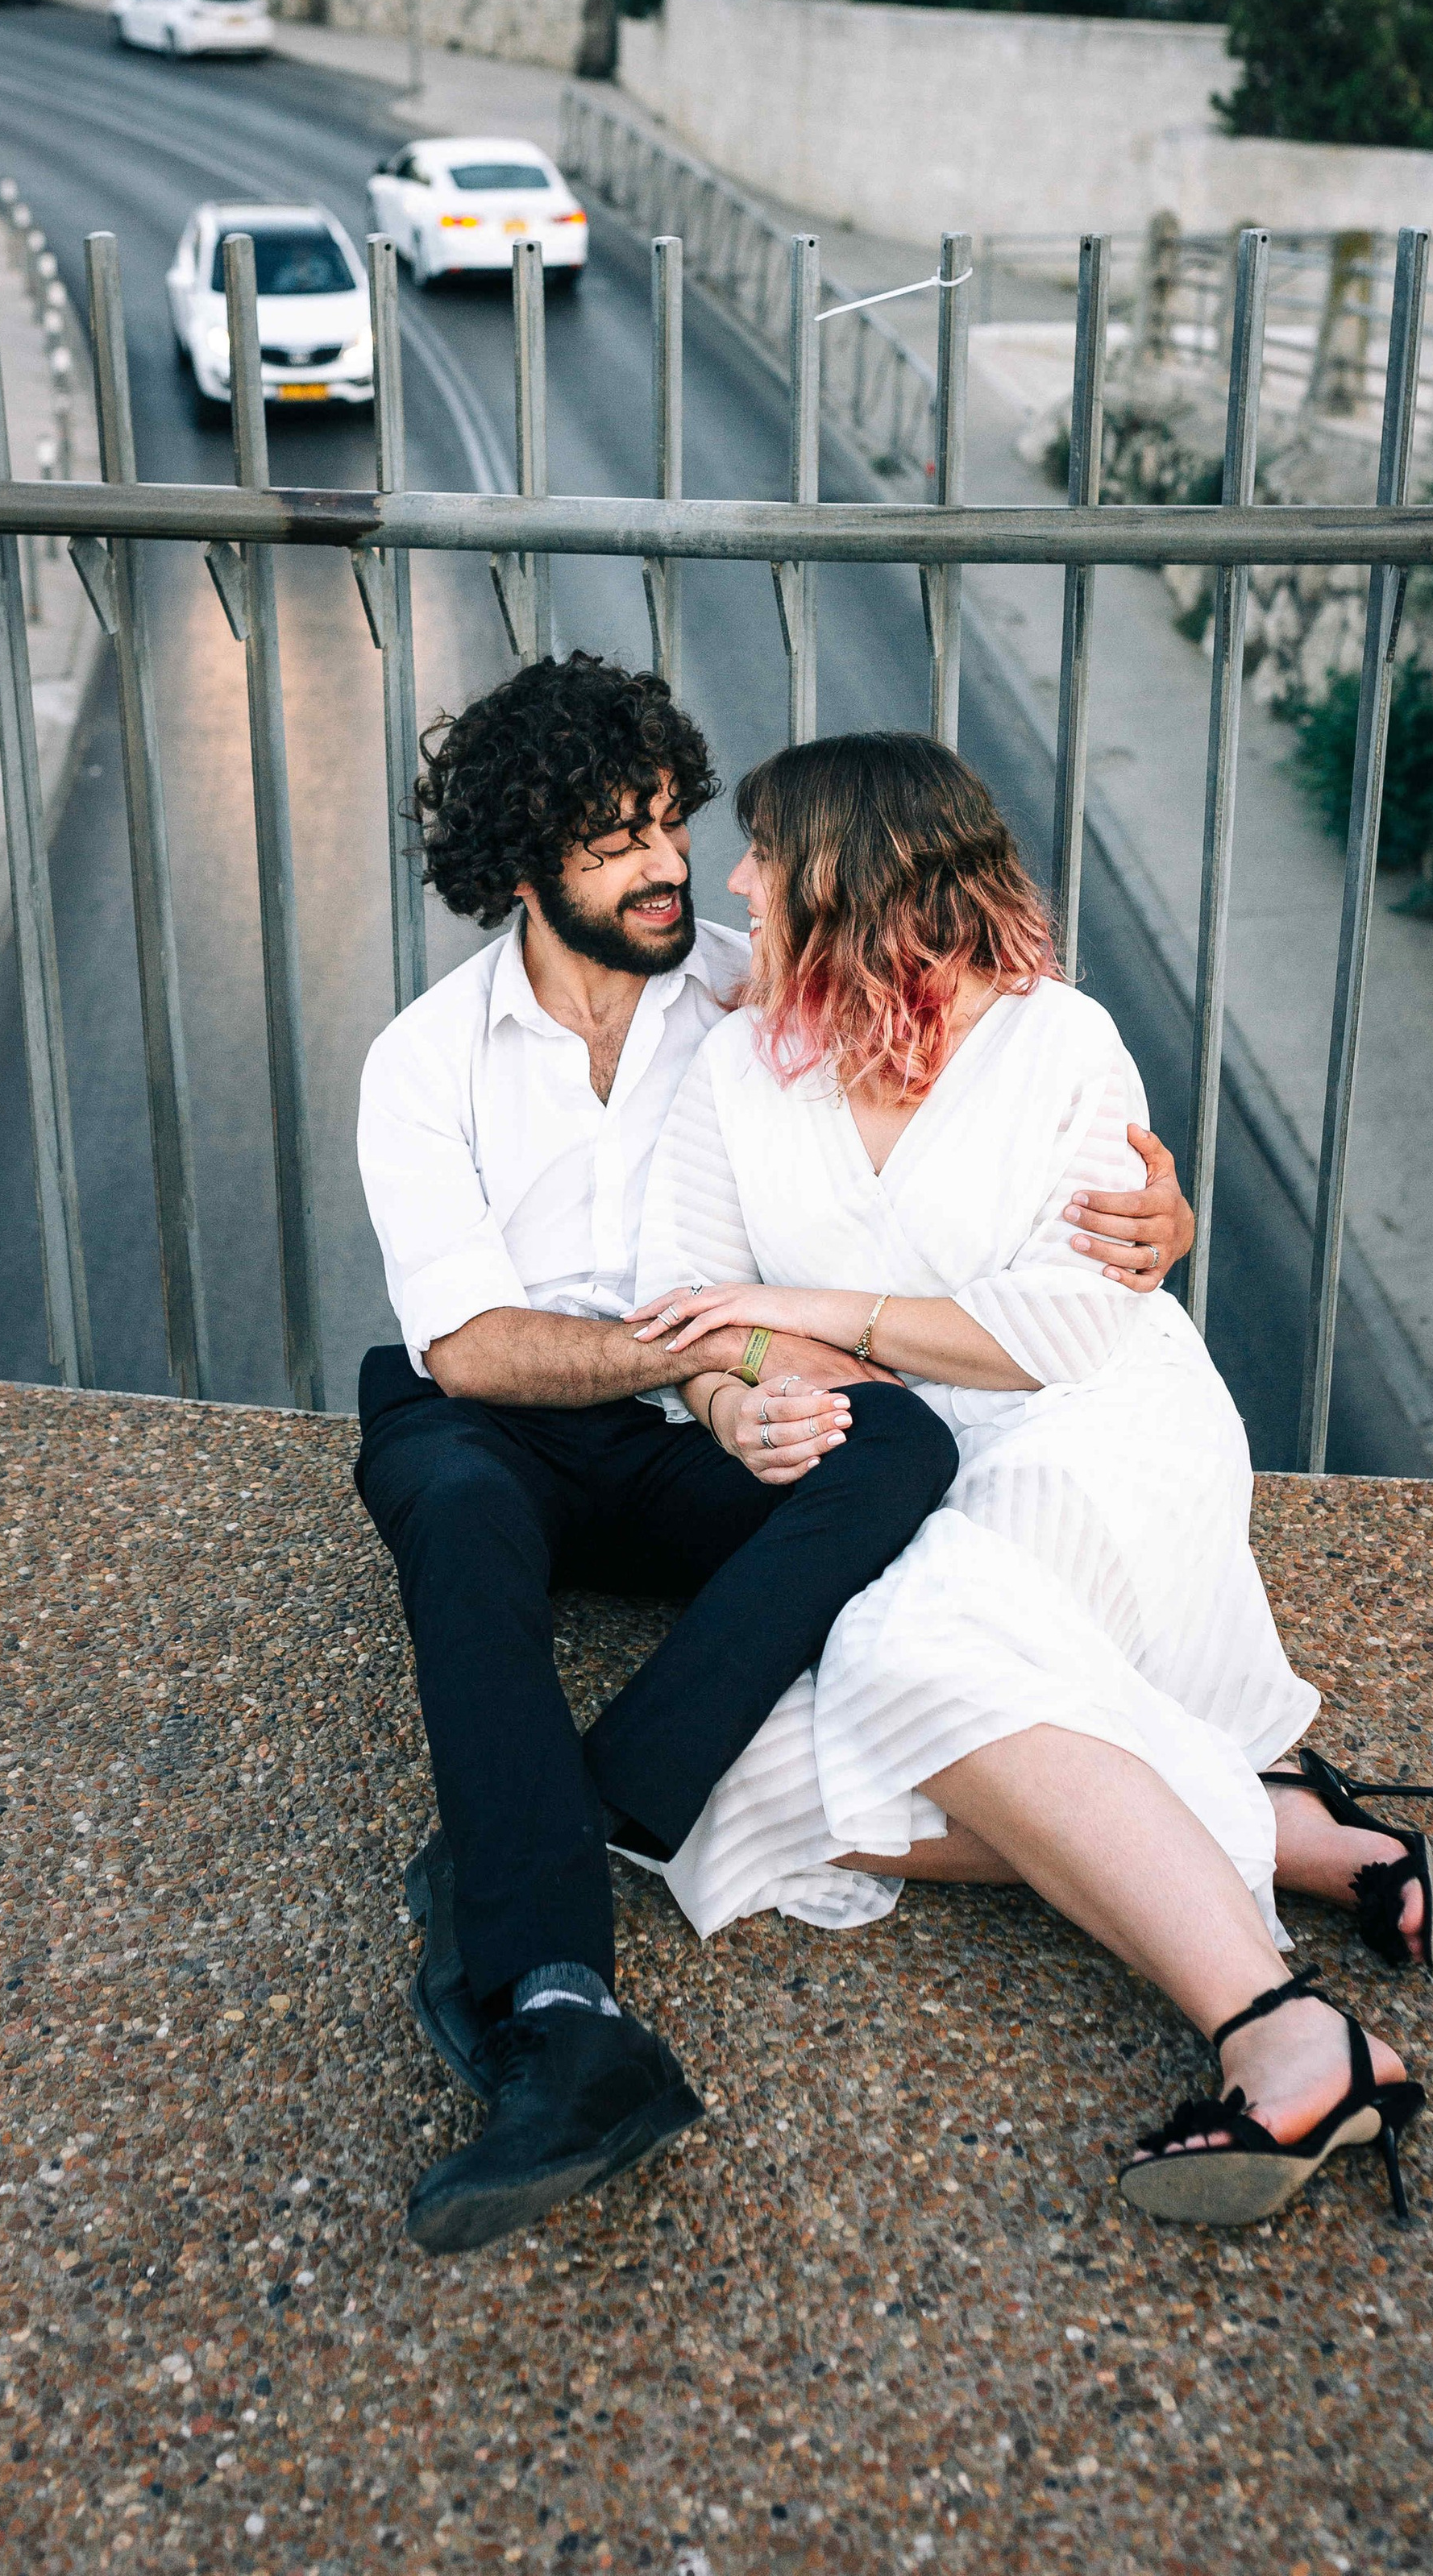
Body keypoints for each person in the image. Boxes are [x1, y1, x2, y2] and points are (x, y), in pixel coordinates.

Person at [354, 656, 1195, 2257]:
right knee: (452, 1509)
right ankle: (559, 2014)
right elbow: (466, 1347)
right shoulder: (423, 1062)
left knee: (900, 1444)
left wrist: (1158, 1222)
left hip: (689, 1432)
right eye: (613, 841)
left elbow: (996, 1047)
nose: (669, 864)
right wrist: (720, 1350)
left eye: (671, 821)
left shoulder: (749, 977)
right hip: (496, 1422)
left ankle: (592, 1798)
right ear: (518, 868)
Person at [630, 732, 1431, 2231]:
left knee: (900, 1660)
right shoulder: (740, 1061)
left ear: (854, 885)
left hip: (1089, 1434)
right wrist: (734, 1395)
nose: (735, 882)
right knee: (742, 1784)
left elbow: (1060, 1328)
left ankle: (1279, 2027)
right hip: (894, 1469)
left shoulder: (1062, 1046)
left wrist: (806, 1318)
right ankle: (1289, 1832)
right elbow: (687, 1301)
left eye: (766, 855)